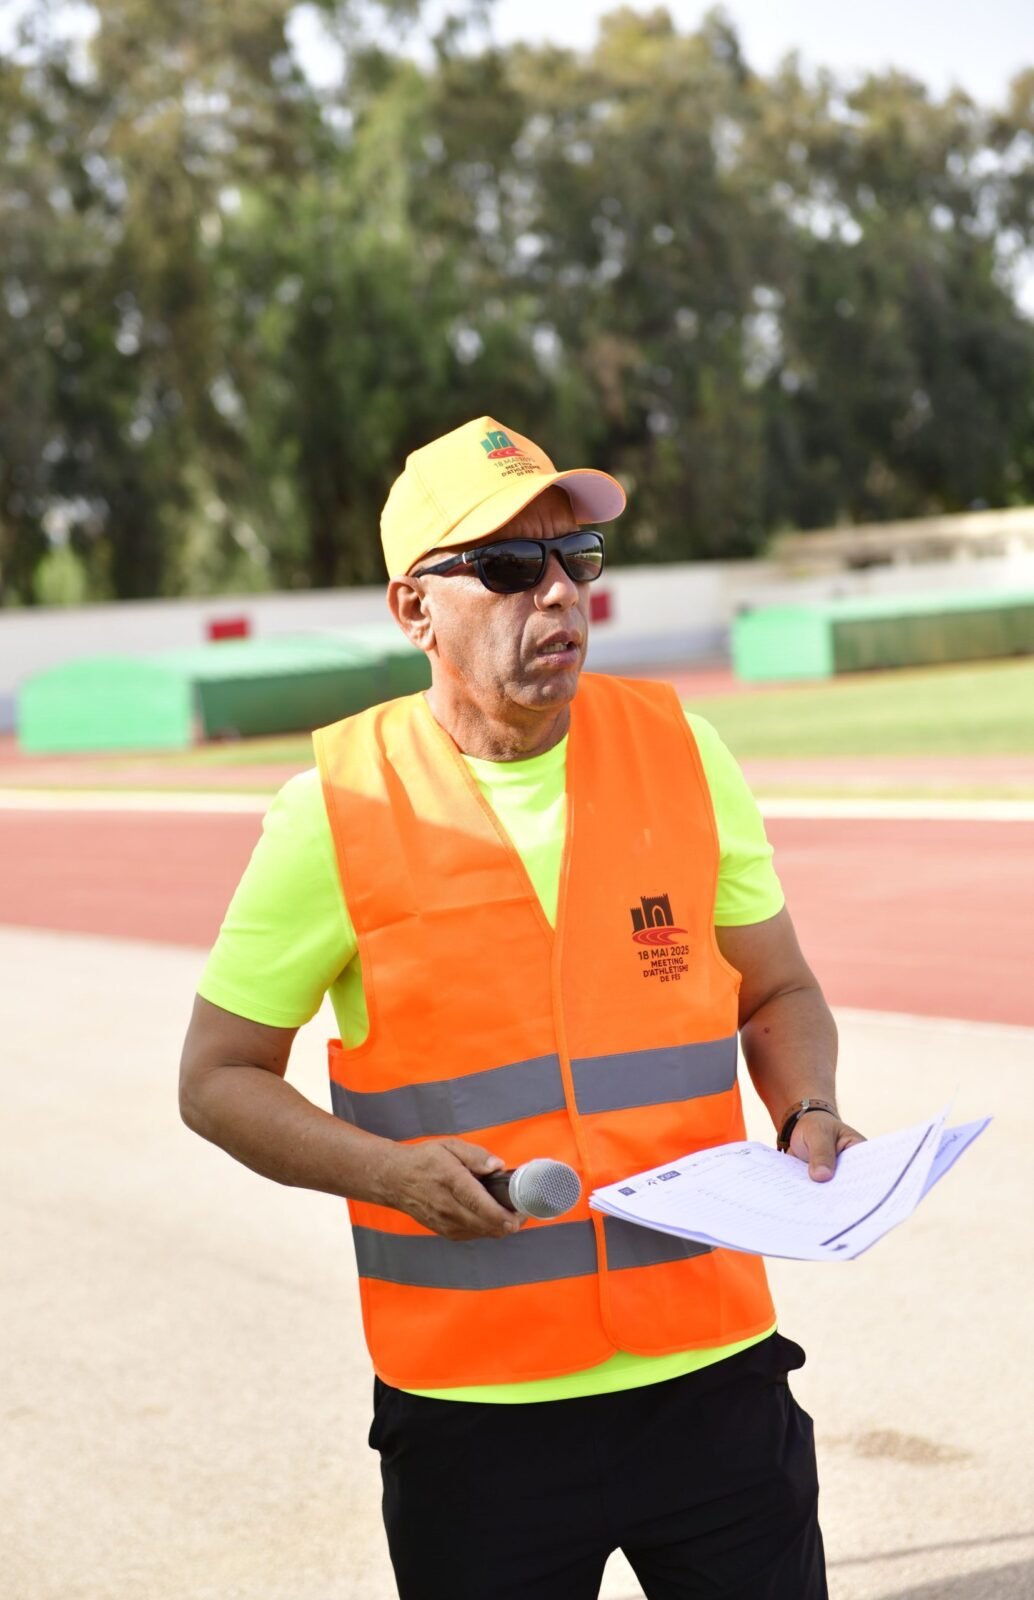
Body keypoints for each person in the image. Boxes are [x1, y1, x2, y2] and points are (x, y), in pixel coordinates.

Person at [179, 415, 864, 1600]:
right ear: (414, 609)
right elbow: (216, 1078)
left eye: (574, 557)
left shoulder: (682, 752)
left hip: (713, 1375)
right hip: (475, 1419)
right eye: (505, 565)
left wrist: (806, 1104)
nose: (556, 592)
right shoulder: (334, 808)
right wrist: (387, 1173)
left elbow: (779, 988)